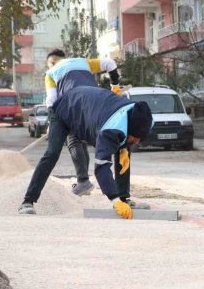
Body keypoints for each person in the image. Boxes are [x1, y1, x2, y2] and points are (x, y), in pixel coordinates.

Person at [18, 86, 152, 219]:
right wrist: (114, 199)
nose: (136, 142)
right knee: (52, 154)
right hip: (64, 110)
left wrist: (125, 145)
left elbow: (130, 138)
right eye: (135, 137)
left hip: (86, 110)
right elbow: (101, 167)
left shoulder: (143, 117)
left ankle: (124, 198)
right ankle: (27, 201)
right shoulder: (111, 129)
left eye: (140, 139)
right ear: (129, 127)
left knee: (124, 153)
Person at [44, 49, 123, 196]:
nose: (50, 66)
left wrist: (52, 124)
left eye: (50, 64)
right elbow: (110, 63)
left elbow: (51, 100)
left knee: (72, 139)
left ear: (53, 63)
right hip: (96, 106)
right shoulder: (83, 62)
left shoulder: (52, 72)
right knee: (82, 141)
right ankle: (90, 183)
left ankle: (83, 181)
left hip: (76, 107)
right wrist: (115, 86)